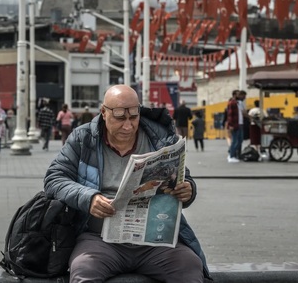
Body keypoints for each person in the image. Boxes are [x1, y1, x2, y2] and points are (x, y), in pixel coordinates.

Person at [43, 85, 210, 282]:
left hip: (156, 242)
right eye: (120, 118)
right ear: (104, 113)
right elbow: (54, 178)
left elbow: (184, 178)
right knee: (84, 269)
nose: (128, 126)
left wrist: (188, 190)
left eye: (134, 117)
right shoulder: (83, 138)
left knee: (189, 266)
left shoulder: (161, 138)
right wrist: (89, 198)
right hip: (100, 240)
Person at [226, 89, 243, 163]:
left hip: (237, 124)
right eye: (238, 94)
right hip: (234, 125)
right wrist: (231, 125)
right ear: (235, 95)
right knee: (235, 141)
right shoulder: (232, 103)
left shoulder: (237, 103)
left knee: (238, 140)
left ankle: (232, 154)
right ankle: (231, 156)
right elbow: (230, 115)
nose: (240, 96)